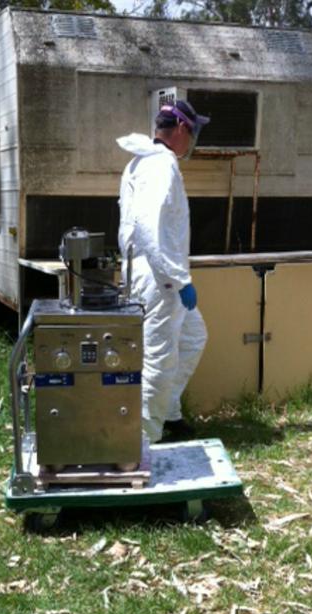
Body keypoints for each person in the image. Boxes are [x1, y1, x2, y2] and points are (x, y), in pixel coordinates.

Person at [117, 100, 210, 443]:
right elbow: (146, 227)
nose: (194, 140)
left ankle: (168, 412)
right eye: (194, 131)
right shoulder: (160, 165)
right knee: (158, 358)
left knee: (193, 338)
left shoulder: (140, 162)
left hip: (153, 272)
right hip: (160, 277)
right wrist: (178, 278)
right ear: (183, 129)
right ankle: (145, 442)